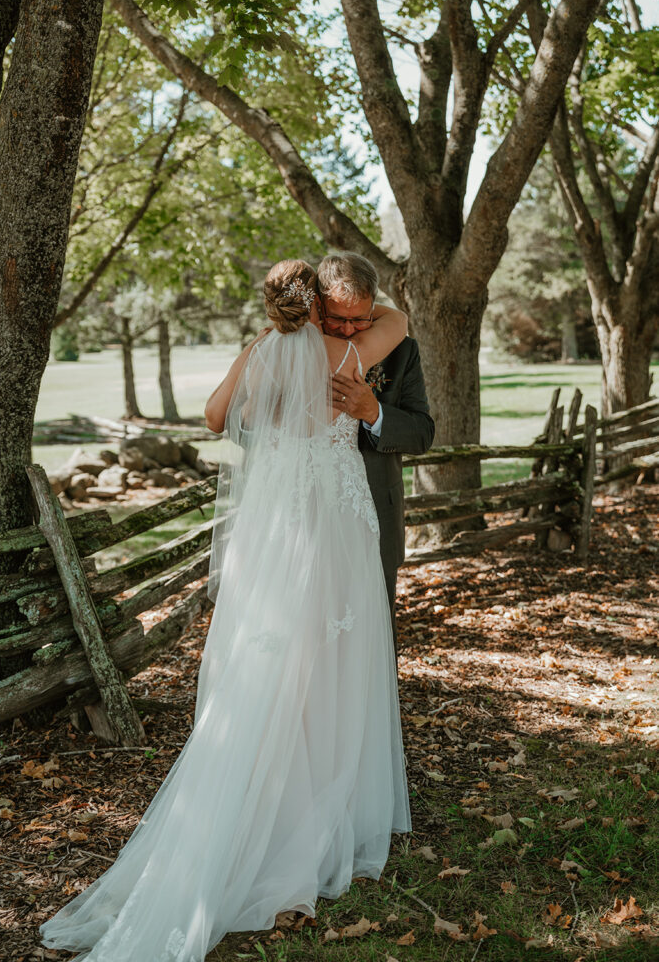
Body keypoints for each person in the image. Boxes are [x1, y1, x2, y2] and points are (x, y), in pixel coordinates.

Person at [38, 259, 412, 962]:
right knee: (333, 664)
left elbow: (215, 419)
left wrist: (262, 352)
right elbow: (401, 319)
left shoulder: (260, 353)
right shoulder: (353, 351)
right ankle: (321, 814)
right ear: (322, 310)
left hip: (274, 539)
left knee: (268, 668)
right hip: (332, 532)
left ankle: (269, 808)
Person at [316, 252, 435, 657]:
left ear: (374, 309)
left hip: (374, 515)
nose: (349, 330)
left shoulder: (402, 351)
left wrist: (375, 413)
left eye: (361, 319)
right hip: (308, 515)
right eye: (337, 318)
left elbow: (422, 433)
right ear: (318, 308)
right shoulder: (295, 351)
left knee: (374, 636)